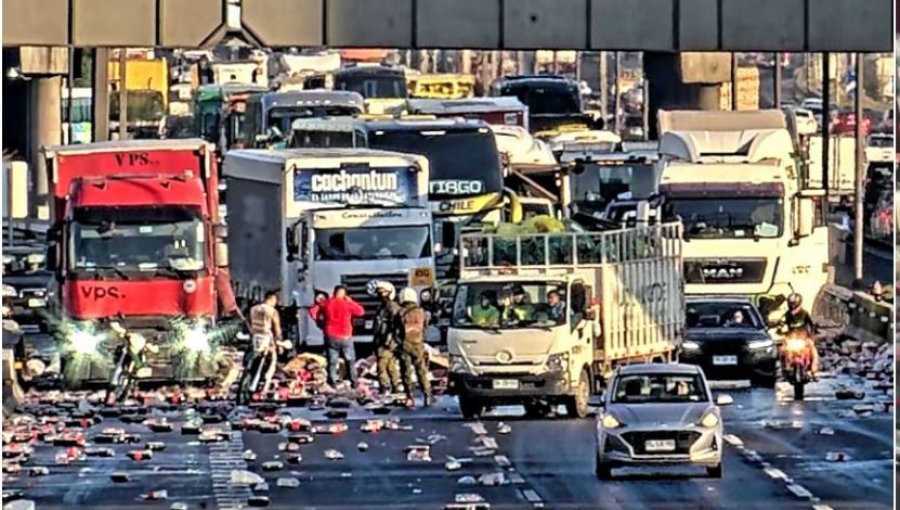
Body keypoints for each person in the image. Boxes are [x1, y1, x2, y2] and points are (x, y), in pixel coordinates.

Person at [310, 285, 365, 389]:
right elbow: (361, 311)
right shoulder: (347, 304)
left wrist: (320, 322)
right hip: (345, 336)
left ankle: (333, 382)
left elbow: (313, 311)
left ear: (334, 292)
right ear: (343, 294)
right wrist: (351, 301)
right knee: (350, 360)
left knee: (332, 360)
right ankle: (354, 381)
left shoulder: (327, 303)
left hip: (330, 335)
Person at [396, 287, 433, 407]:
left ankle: (409, 396)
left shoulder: (400, 312)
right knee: (421, 370)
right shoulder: (421, 312)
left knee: (406, 370)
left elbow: (396, 328)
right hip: (418, 343)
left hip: (404, 344)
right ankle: (427, 395)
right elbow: (425, 326)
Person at [368, 280, 402, 396]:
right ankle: (395, 385)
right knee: (390, 365)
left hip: (387, 342)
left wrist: (390, 339)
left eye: (383, 292)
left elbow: (395, 325)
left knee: (382, 366)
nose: (380, 295)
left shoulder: (392, 307)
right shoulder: (382, 307)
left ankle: (385, 386)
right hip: (382, 340)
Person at [246, 290, 283, 395]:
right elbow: (277, 328)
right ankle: (265, 385)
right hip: (266, 337)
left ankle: (251, 378)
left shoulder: (253, 309)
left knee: (255, 358)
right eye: (275, 300)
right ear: (272, 299)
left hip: (255, 336)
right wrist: (279, 342)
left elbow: (248, 323)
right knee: (272, 361)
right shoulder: (272, 311)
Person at [782, 293, 820, 379]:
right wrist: (780, 330)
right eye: (790, 304)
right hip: (791, 338)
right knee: (783, 351)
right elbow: (782, 324)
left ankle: (814, 372)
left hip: (803, 338)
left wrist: (812, 336)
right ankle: (785, 369)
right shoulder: (787, 314)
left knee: (814, 351)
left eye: (793, 304)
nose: (792, 306)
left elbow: (811, 325)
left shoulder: (804, 313)